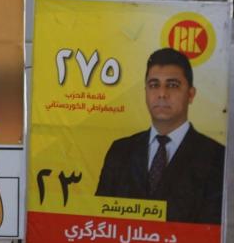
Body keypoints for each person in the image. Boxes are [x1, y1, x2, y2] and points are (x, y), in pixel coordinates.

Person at [95, 48, 224, 225]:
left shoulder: (218, 157)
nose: (162, 94)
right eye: (154, 85)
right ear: (146, 92)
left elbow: (214, 230)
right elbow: (100, 221)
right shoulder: (120, 151)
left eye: (172, 85)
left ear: (191, 94)